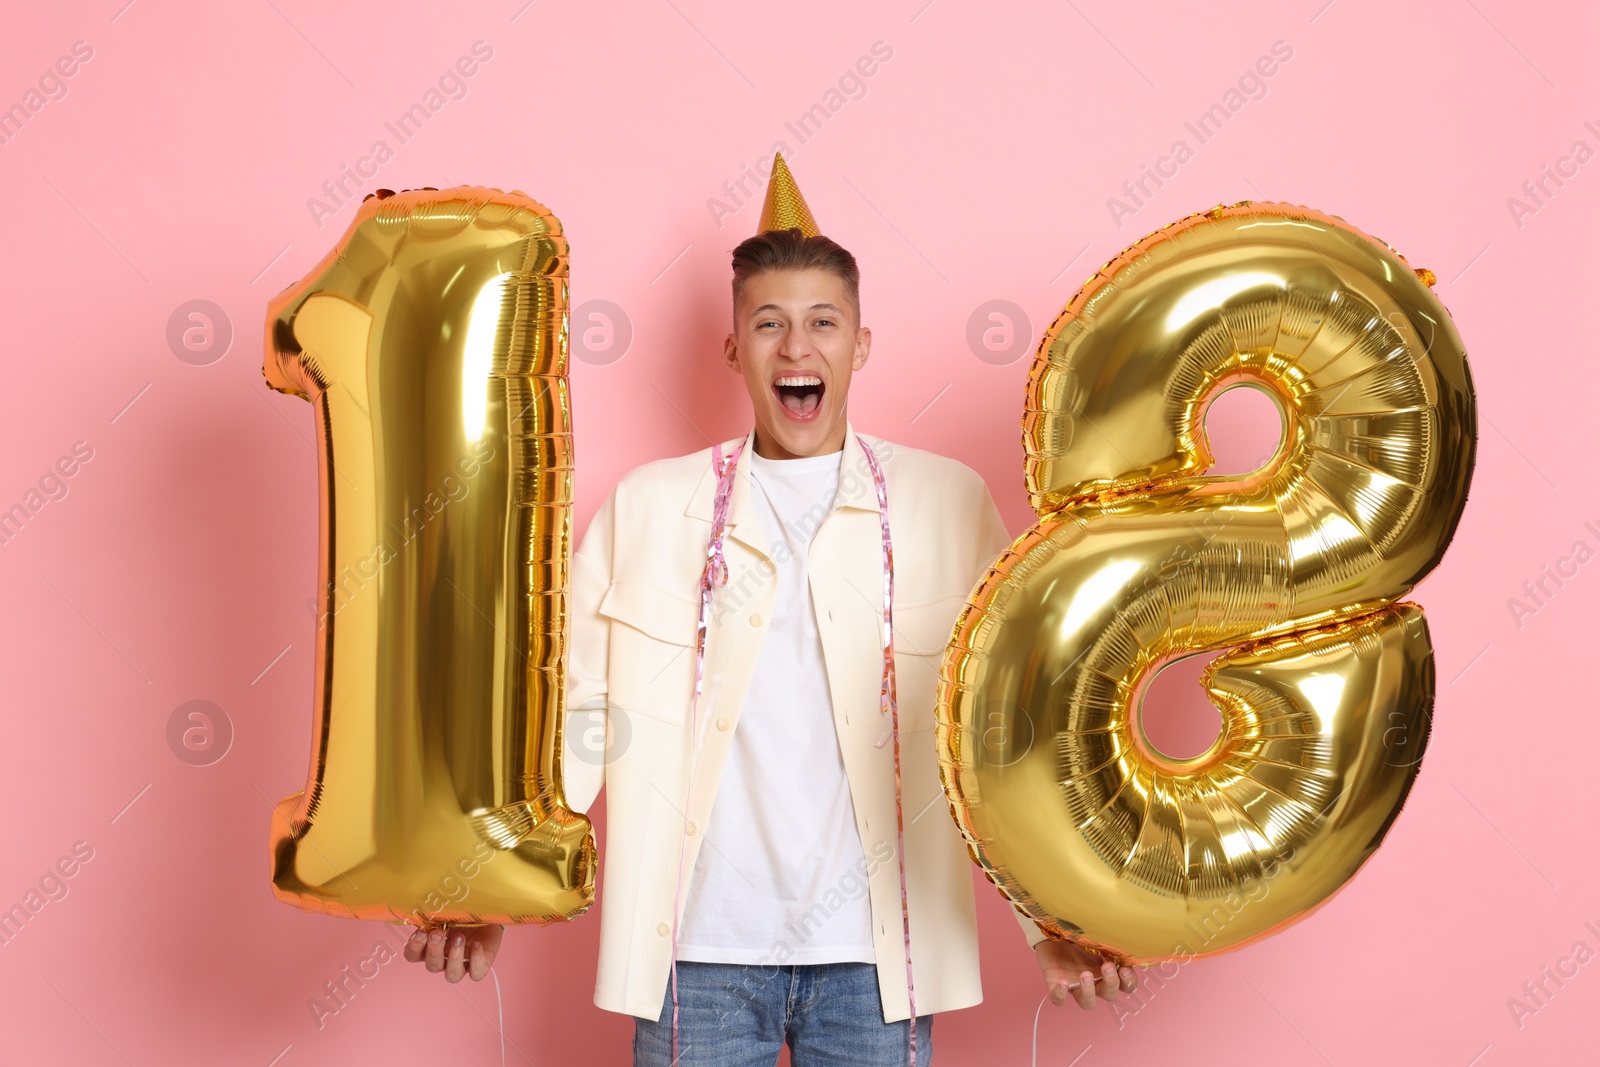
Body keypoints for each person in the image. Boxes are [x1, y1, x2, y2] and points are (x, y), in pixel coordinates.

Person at [403, 155, 1136, 1063]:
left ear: (860, 344)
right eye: (770, 324)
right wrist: (492, 893)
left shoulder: (947, 505)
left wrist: (1051, 919)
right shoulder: (647, 507)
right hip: (694, 961)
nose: (798, 348)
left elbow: (1001, 731)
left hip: (880, 960)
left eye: (824, 323)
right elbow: (584, 719)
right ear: (733, 348)